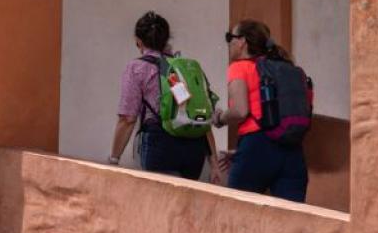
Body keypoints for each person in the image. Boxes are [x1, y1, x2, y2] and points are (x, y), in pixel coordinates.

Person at [108, 11, 221, 182]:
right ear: (167, 40)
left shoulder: (136, 68)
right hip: (194, 146)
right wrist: (214, 163)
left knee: (159, 204)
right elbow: (200, 113)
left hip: (159, 143)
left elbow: (127, 119)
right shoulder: (184, 68)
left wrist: (114, 159)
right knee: (185, 204)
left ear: (138, 41)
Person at [213, 19, 308, 202]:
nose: (229, 43)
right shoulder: (283, 68)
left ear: (242, 41)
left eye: (230, 37)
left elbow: (240, 110)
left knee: (237, 210)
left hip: (256, 146)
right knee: (291, 218)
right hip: (292, 149)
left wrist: (220, 118)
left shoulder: (239, 67)